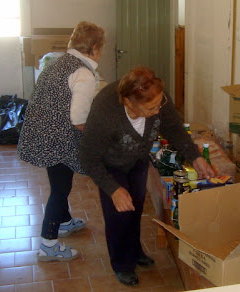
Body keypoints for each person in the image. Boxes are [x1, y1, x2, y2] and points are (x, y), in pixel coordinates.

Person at [79, 66, 214, 286]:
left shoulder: (158, 98)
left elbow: (174, 129)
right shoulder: (106, 111)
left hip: (138, 159)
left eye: (158, 104)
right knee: (118, 212)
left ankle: (134, 250)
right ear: (129, 102)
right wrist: (112, 189)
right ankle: (122, 263)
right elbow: (87, 157)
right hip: (110, 163)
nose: (156, 110)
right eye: (150, 108)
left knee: (136, 207)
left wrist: (195, 157)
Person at [17, 21, 105, 261]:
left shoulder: (58, 61)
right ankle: (48, 243)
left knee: (58, 182)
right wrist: (99, 136)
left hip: (42, 132)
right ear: (95, 47)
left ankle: (64, 221)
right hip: (58, 138)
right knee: (60, 188)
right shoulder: (84, 74)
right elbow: (79, 119)